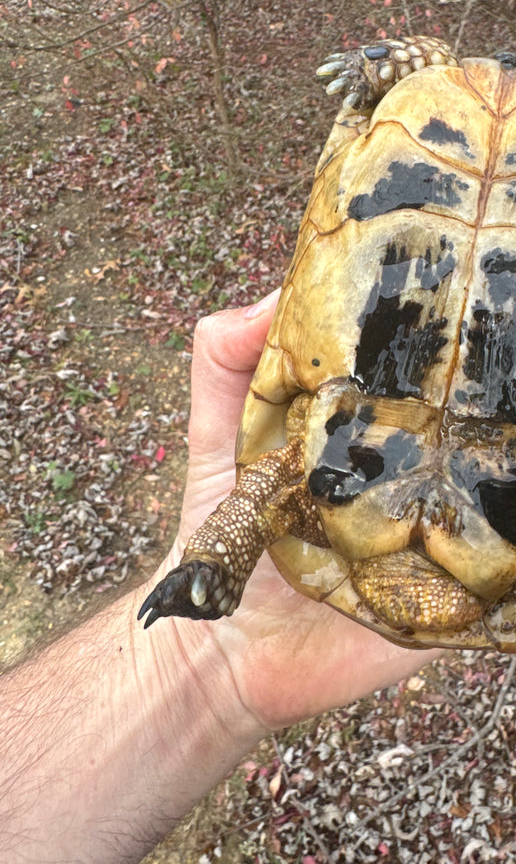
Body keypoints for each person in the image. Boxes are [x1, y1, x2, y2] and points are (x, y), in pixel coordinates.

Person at [0, 293, 433, 864]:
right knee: (284, 477)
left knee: (281, 478)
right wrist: (205, 656)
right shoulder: (300, 477)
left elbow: (269, 482)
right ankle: (215, 565)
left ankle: (216, 564)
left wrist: (205, 649)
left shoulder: (300, 480)